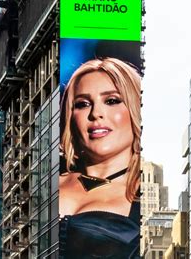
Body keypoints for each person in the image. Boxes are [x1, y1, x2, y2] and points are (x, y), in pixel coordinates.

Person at [59, 57, 141, 258]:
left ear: (136, 110)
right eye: (83, 104)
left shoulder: (141, 195)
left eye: (112, 101)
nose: (96, 113)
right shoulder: (44, 183)